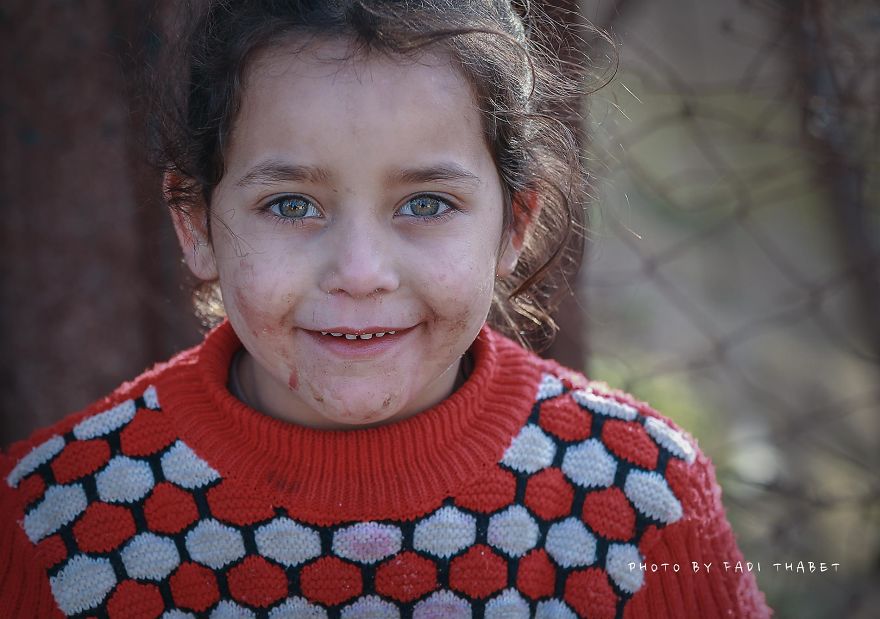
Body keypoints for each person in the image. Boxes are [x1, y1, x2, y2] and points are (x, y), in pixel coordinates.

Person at [0, 1, 771, 617]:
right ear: (196, 224)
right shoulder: (55, 517)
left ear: (516, 225)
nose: (360, 273)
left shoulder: (637, 496)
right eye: (292, 204)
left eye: (427, 202)